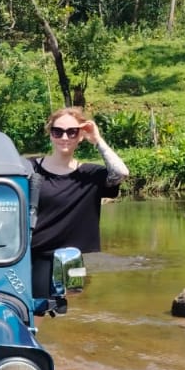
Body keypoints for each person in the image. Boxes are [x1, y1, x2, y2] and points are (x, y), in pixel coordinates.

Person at [30, 107, 129, 298]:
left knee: (60, 306)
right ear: (50, 134)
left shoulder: (89, 175)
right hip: (30, 254)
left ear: (80, 135)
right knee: (34, 312)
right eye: (57, 131)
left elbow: (121, 173)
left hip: (68, 258)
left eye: (72, 132)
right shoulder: (29, 168)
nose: (64, 137)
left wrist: (97, 140)